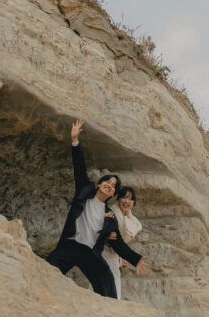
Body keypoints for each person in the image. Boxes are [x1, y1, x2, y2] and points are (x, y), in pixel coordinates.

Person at [45, 119, 150, 298]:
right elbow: (79, 168)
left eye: (113, 186)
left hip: (89, 253)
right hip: (70, 245)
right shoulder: (84, 191)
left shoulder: (109, 216)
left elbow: (118, 244)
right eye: (107, 182)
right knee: (45, 272)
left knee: (107, 282)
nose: (109, 185)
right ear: (100, 184)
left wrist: (135, 259)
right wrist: (75, 141)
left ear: (112, 194)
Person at [103, 185, 142, 299]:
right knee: (110, 283)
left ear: (133, 202)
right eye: (124, 197)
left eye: (130, 199)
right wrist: (106, 235)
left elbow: (121, 242)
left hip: (115, 254)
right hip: (103, 251)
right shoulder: (110, 213)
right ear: (118, 199)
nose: (127, 201)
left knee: (110, 283)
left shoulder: (132, 221)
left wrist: (121, 258)